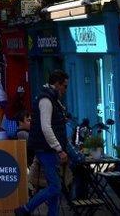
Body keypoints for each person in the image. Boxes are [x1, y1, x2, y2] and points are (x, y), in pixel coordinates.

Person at [16, 70, 72, 216]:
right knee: (55, 186)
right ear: (57, 84)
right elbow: (46, 127)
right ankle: (25, 209)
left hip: (48, 149)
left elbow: (52, 123)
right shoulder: (46, 100)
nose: (65, 90)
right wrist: (59, 149)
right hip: (46, 149)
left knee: (54, 188)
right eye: (65, 86)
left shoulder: (52, 98)